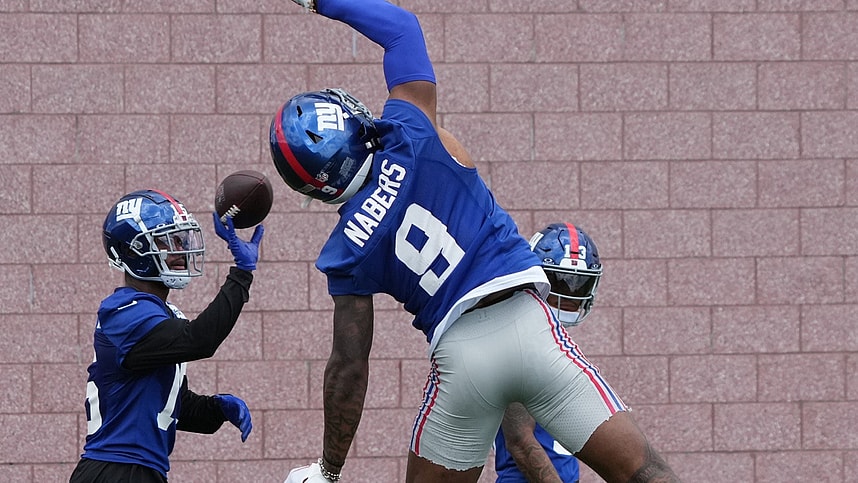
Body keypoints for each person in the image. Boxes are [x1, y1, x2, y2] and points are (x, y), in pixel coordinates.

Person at [272, 1, 681, 482]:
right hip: (532, 325)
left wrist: (329, 468)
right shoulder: (412, 132)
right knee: (645, 473)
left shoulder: (345, 252)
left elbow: (348, 370)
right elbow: (402, 29)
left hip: (461, 360)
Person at [69, 189, 264, 483]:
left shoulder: (160, 314)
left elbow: (171, 405)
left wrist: (216, 409)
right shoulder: (124, 309)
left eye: (180, 239)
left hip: (138, 470)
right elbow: (199, 340)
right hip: (117, 469)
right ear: (132, 251)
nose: (179, 249)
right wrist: (241, 275)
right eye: (166, 241)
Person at [494, 223, 603, 483]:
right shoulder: (519, 341)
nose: (568, 295)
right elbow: (520, 441)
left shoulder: (552, 341)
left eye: (578, 286)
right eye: (560, 282)